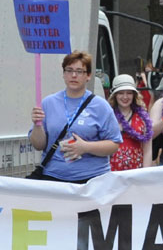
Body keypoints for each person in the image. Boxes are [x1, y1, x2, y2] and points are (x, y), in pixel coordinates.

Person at [28, 51, 121, 182]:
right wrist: (37, 125)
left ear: (88, 76)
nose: (73, 75)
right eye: (69, 70)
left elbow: (114, 144)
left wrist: (85, 147)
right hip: (54, 177)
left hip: (92, 179)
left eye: (79, 71)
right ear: (63, 74)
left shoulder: (100, 106)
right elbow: (38, 145)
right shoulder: (48, 103)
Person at [107, 74, 153, 171]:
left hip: (137, 169)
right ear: (115, 95)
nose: (125, 97)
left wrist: (146, 172)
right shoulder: (107, 116)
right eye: (121, 93)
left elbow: (148, 149)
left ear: (134, 95)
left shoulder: (142, 118)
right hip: (112, 169)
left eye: (129, 93)